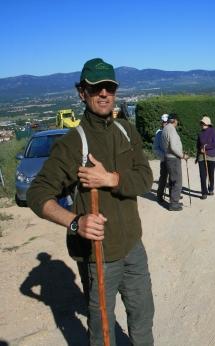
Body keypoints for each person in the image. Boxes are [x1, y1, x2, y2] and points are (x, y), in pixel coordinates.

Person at [27, 58, 155, 345]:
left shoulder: (126, 130)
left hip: (133, 246)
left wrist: (111, 179)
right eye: (96, 88)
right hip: (98, 256)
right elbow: (37, 194)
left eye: (109, 87)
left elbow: (146, 179)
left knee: (143, 318)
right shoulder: (73, 143)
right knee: (101, 331)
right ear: (82, 92)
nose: (104, 94)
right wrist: (75, 223)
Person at [162, 113, 189, 211]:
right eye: (177, 120)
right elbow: (173, 147)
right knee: (177, 181)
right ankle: (174, 204)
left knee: (172, 180)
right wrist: (182, 155)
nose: (177, 122)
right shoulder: (171, 129)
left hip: (168, 157)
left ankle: (174, 200)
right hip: (173, 158)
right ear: (175, 120)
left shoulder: (165, 128)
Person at [195, 115, 215, 199]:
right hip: (202, 156)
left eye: (203, 123)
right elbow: (198, 145)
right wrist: (197, 156)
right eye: (201, 123)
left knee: (211, 174)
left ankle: (211, 189)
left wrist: (206, 147)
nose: (202, 124)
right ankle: (204, 192)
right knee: (202, 175)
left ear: (208, 124)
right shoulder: (200, 133)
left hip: (212, 156)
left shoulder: (213, 131)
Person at [153, 113, 169, 203]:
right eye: (164, 122)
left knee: (173, 179)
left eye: (167, 122)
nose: (165, 123)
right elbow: (155, 148)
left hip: (172, 160)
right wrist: (163, 156)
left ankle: (173, 195)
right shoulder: (159, 133)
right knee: (163, 178)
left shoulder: (172, 132)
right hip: (164, 160)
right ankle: (159, 196)